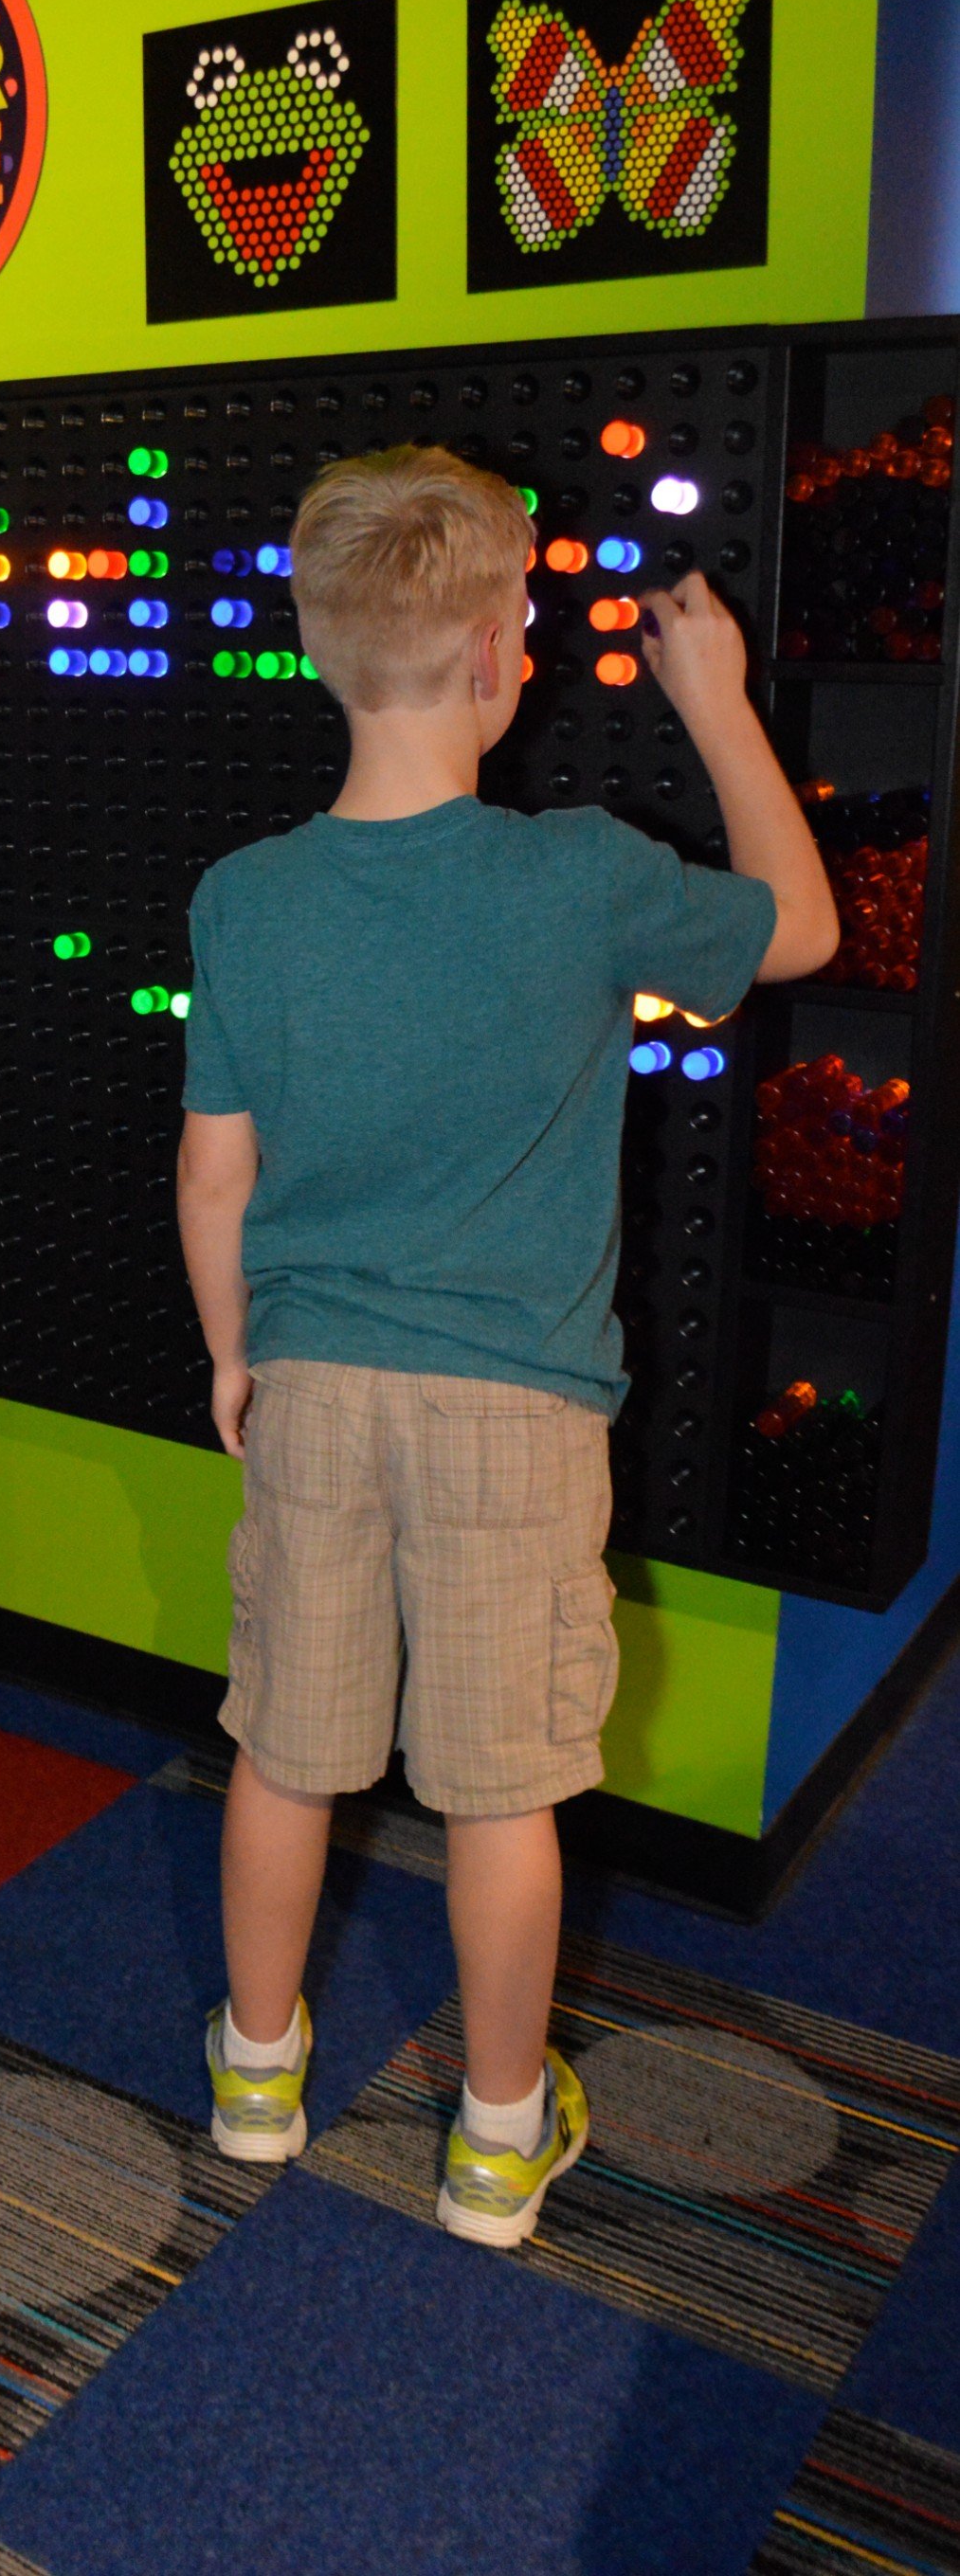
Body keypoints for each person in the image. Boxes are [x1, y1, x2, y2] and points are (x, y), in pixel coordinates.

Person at [177, 445, 836, 2242]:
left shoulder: (244, 895)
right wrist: (714, 701)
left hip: (310, 1387)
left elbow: (214, 1169)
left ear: (317, 646)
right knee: (501, 1792)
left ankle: (255, 2077)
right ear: (492, 653)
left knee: (283, 1748)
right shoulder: (579, 876)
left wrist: (233, 1354)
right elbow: (800, 927)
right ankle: (491, 2134)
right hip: (517, 1413)